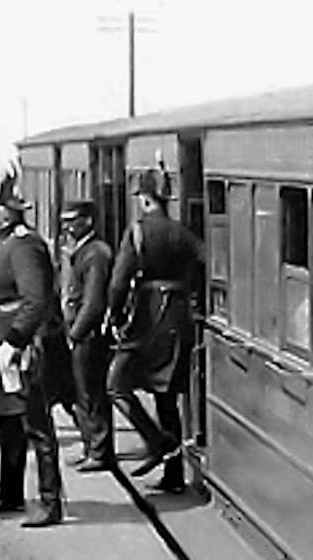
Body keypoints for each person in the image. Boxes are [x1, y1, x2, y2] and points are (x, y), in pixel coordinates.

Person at [107, 168, 204, 493]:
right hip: (177, 320)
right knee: (167, 399)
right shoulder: (182, 233)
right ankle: (174, 475)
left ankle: (155, 441)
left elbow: (120, 281)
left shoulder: (137, 232)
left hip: (146, 320)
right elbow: (205, 261)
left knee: (116, 384)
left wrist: (115, 315)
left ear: (144, 198)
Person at [0, 185, 68, 528]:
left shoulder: (24, 246)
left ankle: (50, 502)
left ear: (11, 213)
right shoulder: (13, 245)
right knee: (9, 421)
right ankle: (11, 493)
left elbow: (35, 300)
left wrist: (15, 341)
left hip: (24, 344)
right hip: (10, 337)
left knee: (36, 424)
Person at [59, 199, 115, 473]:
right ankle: (90, 446)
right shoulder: (83, 250)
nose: (67, 226)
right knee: (81, 393)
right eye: (65, 221)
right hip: (79, 331)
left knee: (92, 393)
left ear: (88, 221)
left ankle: (100, 451)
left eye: (73, 221)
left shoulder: (96, 253)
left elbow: (93, 302)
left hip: (89, 334)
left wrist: (76, 333)